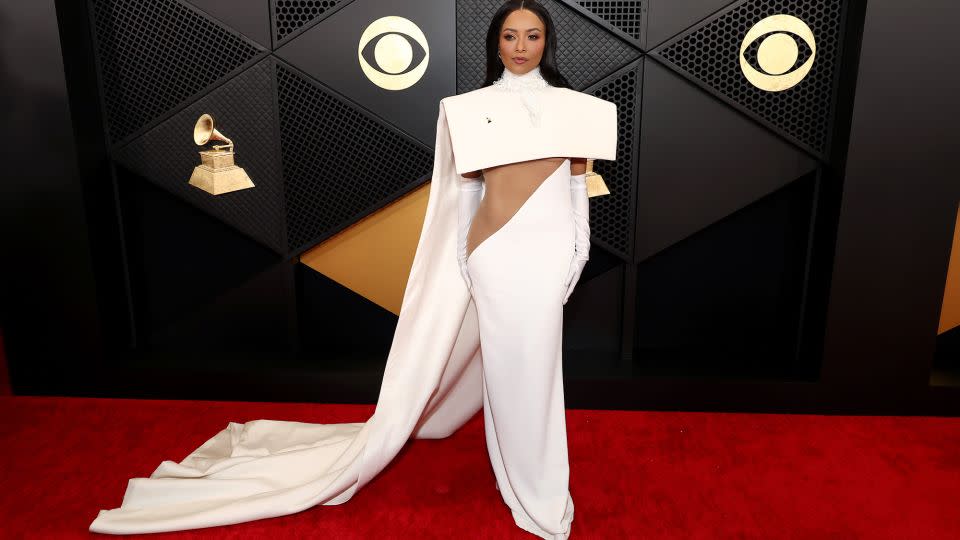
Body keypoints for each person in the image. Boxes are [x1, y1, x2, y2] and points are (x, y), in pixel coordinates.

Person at [88, 1, 616, 538]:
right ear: (495, 43)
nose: (521, 46)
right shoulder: (468, 107)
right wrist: (466, 258)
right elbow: (464, 197)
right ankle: (528, 489)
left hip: (549, 256)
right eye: (510, 35)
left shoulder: (575, 109)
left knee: (541, 372)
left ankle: (539, 482)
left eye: (532, 35)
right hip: (494, 258)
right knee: (509, 375)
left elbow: (577, 188)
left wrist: (577, 255)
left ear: (548, 41)